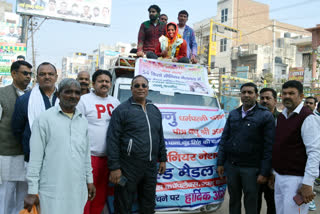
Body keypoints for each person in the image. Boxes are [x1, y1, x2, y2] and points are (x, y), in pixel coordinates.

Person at [23, 78, 96, 214]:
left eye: (77, 92)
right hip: (51, 189)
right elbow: (35, 159)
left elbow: (85, 155)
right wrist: (32, 191)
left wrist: (89, 181)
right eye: (68, 92)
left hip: (76, 188)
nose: (73, 96)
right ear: (58, 95)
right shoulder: (44, 119)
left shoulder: (83, 121)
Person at [107, 75, 167, 214]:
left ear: (148, 89)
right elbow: (112, 139)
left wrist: (163, 158)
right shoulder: (122, 110)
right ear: (131, 89)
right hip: (128, 166)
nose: (140, 88)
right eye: (137, 85)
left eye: (143, 85)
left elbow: (160, 135)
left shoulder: (154, 110)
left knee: (148, 203)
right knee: (123, 203)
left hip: (150, 166)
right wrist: (114, 167)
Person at [217, 82, 275, 214]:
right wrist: (220, 162)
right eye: (243, 92)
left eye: (250, 92)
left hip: (252, 169)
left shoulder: (265, 115)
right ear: (240, 95)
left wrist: (264, 172)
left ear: (256, 95)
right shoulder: (233, 114)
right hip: (232, 167)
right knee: (234, 201)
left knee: (251, 203)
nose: (246, 95)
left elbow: (269, 147)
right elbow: (224, 139)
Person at [272, 80, 320, 214]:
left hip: (297, 180)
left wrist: (307, 183)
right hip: (280, 177)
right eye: (284, 93)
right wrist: (274, 173)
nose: (287, 96)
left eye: (292, 93)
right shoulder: (281, 117)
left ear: (301, 96)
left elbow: (314, 152)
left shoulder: (308, 118)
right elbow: (279, 146)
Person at [78, 70, 120, 214]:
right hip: (89, 157)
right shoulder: (84, 100)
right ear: (93, 83)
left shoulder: (115, 102)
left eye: (107, 81)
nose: (104, 84)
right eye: (101, 81)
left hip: (108, 158)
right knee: (86, 193)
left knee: (101, 194)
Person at [0, 61, 32, 214]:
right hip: (7, 155)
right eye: (25, 73)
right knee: (5, 196)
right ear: (13, 74)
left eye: (30, 74)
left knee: (23, 198)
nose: (28, 77)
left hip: (27, 156)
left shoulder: (33, 95)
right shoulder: (2, 94)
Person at [12, 62, 59, 162]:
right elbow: (17, 130)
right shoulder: (25, 100)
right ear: (37, 77)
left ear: (56, 77)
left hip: (61, 157)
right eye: (42, 74)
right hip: (33, 157)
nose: (47, 77)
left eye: (50, 74)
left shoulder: (65, 99)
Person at [258, 88, 279, 214]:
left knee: (272, 203)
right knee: (254, 202)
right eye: (262, 98)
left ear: (275, 101)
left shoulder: (283, 119)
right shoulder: (253, 117)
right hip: (255, 169)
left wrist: (273, 172)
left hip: (274, 171)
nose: (264, 101)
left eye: (268, 98)